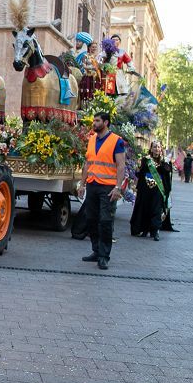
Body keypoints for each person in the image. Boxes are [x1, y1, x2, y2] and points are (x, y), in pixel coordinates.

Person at [77, 112, 126, 270]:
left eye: (97, 121)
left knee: (105, 221)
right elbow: (87, 164)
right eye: (94, 120)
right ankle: (96, 251)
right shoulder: (91, 139)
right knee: (91, 219)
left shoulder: (116, 141)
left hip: (108, 187)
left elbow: (121, 165)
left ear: (105, 122)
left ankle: (104, 256)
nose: (94, 123)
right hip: (92, 185)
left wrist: (118, 187)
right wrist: (82, 184)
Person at [130, 142, 171, 241]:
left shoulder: (165, 161)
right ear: (151, 149)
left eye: (158, 147)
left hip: (158, 189)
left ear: (161, 149)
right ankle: (144, 229)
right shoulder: (146, 160)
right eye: (154, 147)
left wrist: (163, 163)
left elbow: (167, 173)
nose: (156, 149)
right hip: (146, 188)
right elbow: (141, 172)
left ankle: (155, 230)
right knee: (145, 208)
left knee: (156, 209)